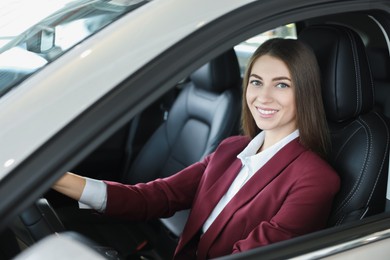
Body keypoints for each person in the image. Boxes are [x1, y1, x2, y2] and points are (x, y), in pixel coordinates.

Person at [53, 38, 340, 259]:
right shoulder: (231, 149)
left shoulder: (314, 179)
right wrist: (54, 178)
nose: (263, 97)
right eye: (256, 82)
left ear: (304, 91)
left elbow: (253, 256)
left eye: (281, 85)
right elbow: (156, 196)